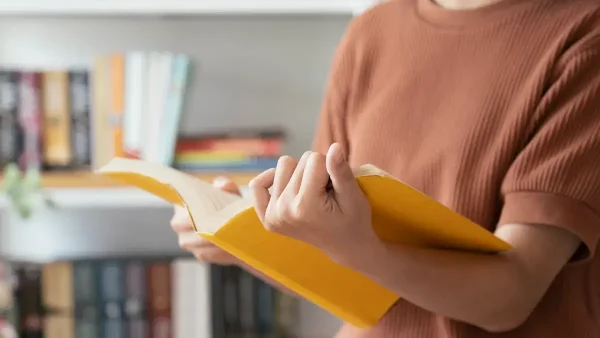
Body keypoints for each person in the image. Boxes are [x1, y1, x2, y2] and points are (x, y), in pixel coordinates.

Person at [170, 0, 600, 336]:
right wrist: (248, 242)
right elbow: (337, 268)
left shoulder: (584, 35)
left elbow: (511, 297)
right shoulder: (371, 31)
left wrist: (360, 250)